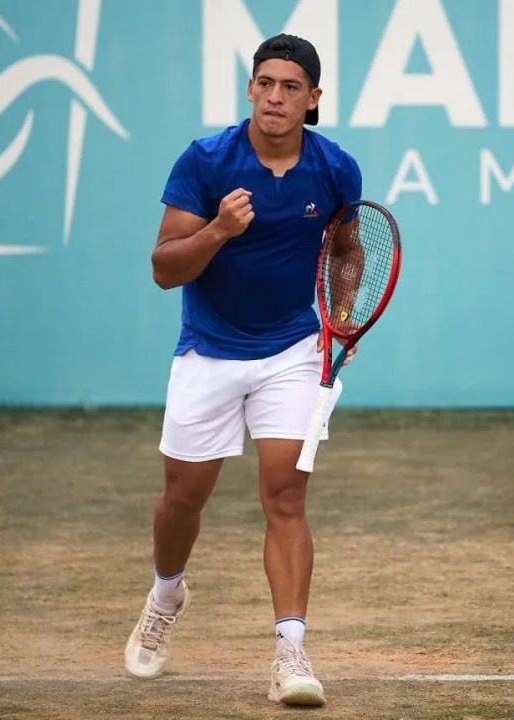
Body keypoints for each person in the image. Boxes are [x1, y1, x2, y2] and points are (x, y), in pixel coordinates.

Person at [124, 32, 362, 707]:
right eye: (265, 83)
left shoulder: (336, 169)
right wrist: (219, 230)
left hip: (292, 351)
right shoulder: (205, 161)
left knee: (286, 497)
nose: (275, 97)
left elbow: (347, 249)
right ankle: (166, 593)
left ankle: (290, 652)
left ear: (313, 99)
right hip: (208, 351)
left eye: (291, 87)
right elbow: (164, 269)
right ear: (250, 89)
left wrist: (342, 315)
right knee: (182, 500)